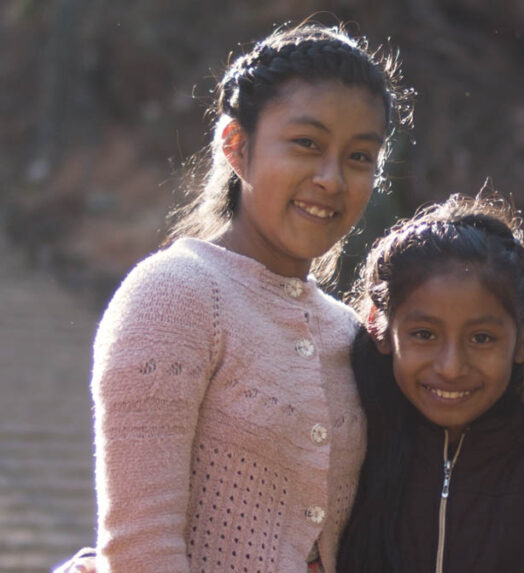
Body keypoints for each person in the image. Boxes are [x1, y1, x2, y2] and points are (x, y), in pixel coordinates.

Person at [61, 20, 412, 573]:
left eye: (359, 157)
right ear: (237, 147)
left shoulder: (349, 331)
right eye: (306, 144)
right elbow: (139, 549)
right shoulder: (174, 297)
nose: (332, 178)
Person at [335, 193, 524, 572]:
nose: (450, 368)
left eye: (481, 338)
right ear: (380, 326)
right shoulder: (352, 436)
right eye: (424, 335)